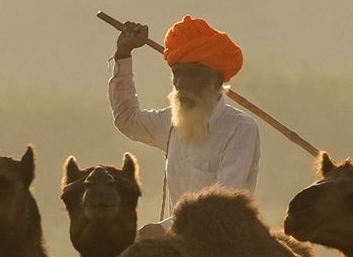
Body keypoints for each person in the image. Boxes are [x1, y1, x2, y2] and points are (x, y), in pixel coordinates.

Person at [105, 13, 262, 202]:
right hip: (174, 232)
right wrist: (123, 53)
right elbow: (127, 120)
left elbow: (222, 201)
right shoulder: (172, 123)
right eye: (176, 74)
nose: (180, 84)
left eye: (191, 76)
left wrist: (162, 228)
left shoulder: (240, 128)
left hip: (223, 231)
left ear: (216, 80)